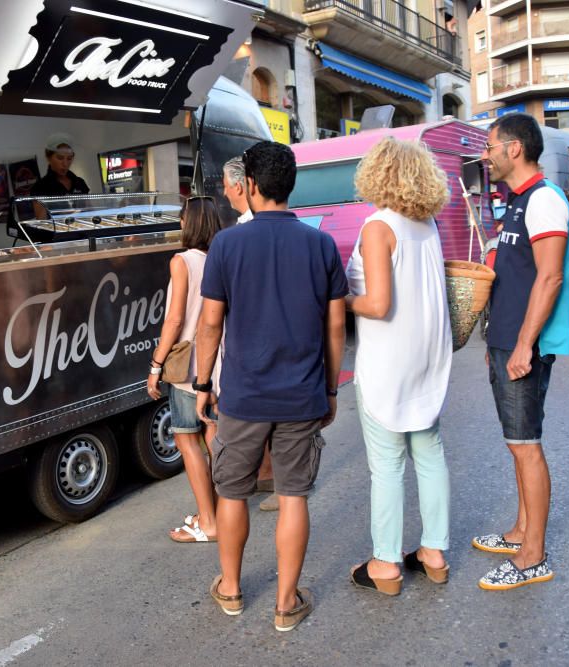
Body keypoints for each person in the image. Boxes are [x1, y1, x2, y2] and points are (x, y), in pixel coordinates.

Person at [194, 141, 347, 631]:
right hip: (302, 394)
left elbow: (210, 326)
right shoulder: (319, 243)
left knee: (232, 492)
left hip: (243, 396)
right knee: (295, 495)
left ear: (252, 186)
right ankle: (286, 604)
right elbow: (336, 327)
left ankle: (232, 590)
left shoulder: (227, 244)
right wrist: (331, 389)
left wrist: (202, 383)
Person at [344, 137, 452, 596]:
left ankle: (386, 563)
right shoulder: (426, 224)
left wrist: (343, 301)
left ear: (377, 173)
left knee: (386, 465)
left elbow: (378, 303)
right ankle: (434, 552)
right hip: (427, 357)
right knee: (430, 454)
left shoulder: (377, 227)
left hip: (388, 360)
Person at [474, 114, 569, 591]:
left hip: (523, 345)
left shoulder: (544, 200)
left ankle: (534, 554)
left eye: (490, 146)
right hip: (508, 339)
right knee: (517, 442)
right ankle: (520, 532)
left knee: (526, 445)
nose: (485, 154)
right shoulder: (516, 201)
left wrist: (522, 345)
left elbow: (550, 277)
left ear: (514, 149)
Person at [147, 197, 222, 542]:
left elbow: (175, 318)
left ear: (188, 223)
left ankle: (208, 522)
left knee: (186, 437)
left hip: (189, 366)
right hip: (220, 362)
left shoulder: (182, 262)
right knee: (213, 438)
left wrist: (156, 364)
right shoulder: (222, 258)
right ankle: (218, 512)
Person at [222, 156, 278, 510]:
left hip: (256, 340)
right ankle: (272, 477)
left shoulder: (240, 234)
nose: (223, 192)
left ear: (241, 186)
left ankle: (274, 482)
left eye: (225, 185)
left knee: (260, 418)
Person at [29, 133, 90, 198]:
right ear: (48, 158)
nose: (65, 164)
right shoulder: (40, 187)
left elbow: (89, 208)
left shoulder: (80, 183)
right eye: (60, 158)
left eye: (69, 158)